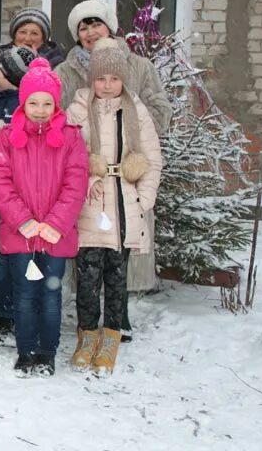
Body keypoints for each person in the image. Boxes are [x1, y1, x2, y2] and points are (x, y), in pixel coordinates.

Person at [56, 0, 171, 342]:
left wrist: (131, 117)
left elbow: (158, 108)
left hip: (128, 175)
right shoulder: (66, 73)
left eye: (96, 24)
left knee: (121, 254)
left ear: (110, 26)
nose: (91, 32)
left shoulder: (138, 66)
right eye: (83, 27)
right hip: (89, 181)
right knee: (89, 254)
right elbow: (62, 124)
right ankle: (89, 321)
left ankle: (117, 318)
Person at [65, 38, 162, 375]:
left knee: (117, 278)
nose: (107, 85)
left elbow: (151, 159)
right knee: (87, 278)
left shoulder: (135, 110)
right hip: (89, 205)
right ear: (91, 79)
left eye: (114, 79)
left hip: (124, 206)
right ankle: (87, 334)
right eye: (101, 79)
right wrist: (85, 183)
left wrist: (143, 199)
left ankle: (111, 336)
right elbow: (67, 154)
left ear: (123, 80)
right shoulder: (78, 109)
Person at [0, 58, 88, 377]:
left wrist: (56, 223)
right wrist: (24, 221)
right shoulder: (6, 138)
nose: (41, 109)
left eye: (47, 103)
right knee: (25, 294)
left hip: (56, 235)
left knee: (50, 294)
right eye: (34, 102)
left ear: (56, 104)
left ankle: (47, 351)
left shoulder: (71, 137)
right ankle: (26, 350)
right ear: (23, 101)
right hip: (21, 233)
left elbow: (76, 182)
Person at [0, 44, 36, 344]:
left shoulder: (22, 106)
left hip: (20, 194)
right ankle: (2, 312)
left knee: (10, 258)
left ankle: (10, 313)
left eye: (1, 70)